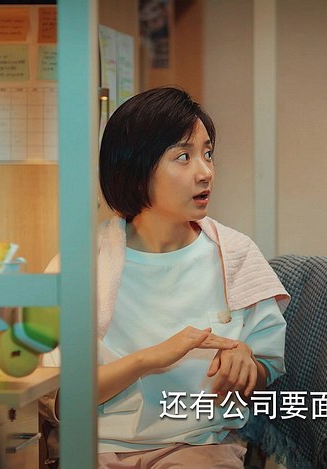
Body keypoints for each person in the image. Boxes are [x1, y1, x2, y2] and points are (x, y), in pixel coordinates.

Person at [42, 86, 289, 469]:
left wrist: (246, 361)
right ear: (137, 171)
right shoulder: (81, 264)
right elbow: (55, 396)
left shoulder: (235, 255)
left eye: (208, 154)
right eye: (183, 157)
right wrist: (147, 359)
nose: (205, 172)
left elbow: (266, 367)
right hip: (93, 447)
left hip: (198, 446)